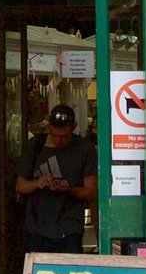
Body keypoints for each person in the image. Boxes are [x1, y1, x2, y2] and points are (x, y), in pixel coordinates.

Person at [13, 104, 98, 255]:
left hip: (69, 226)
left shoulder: (85, 149)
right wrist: (37, 184)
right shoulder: (36, 145)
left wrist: (69, 190)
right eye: (54, 135)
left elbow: (91, 193)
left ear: (74, 128)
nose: (58, 141)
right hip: (37, 225)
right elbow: (20, 186)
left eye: (64, 136)